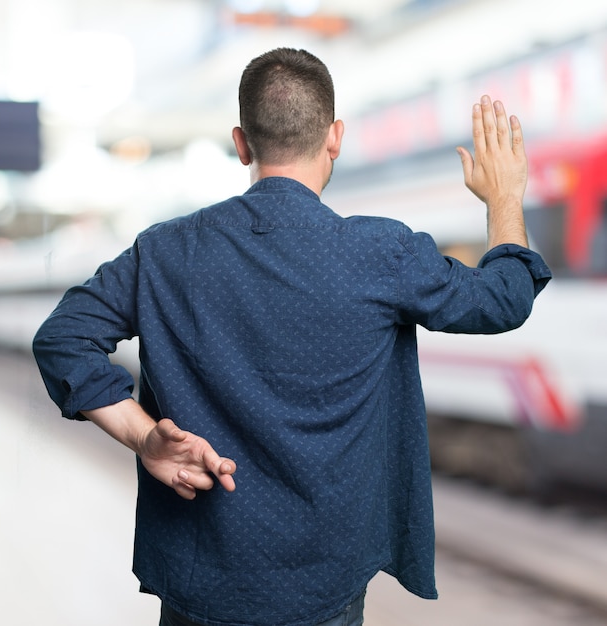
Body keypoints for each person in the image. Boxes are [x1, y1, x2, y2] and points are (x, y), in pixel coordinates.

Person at [33, 47, 551, 626]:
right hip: (322, 583)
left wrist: (145, 436)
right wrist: (504, 198)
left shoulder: (166, 251)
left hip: (202, 580)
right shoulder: (382, 253)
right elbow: (503, 299)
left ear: (242, 143)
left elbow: (63, 338)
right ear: (335, 137)